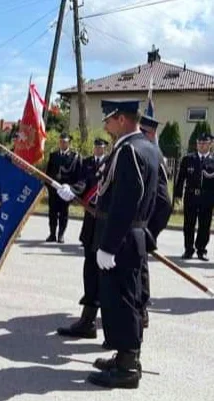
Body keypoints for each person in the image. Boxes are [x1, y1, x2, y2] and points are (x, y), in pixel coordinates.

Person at [86, 99, 159, 389]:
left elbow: (126, 202)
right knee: (123, 299)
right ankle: (124, 357)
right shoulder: (148, 147)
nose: (105, 124)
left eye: (109, 119)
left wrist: (109, 245)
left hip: (123, 237)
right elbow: (157, 200)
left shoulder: (129, 150)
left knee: (122, 302)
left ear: (122, 120)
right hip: (133, 236)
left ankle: (127, 368)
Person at [55, 138, 108, 339]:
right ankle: (88, 321)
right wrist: (72, 190)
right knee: (91, 272)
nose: (98, 148)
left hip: (106, 223)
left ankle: (126, 319)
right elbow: (84, 182)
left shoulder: (114, 160)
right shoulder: (87, 162)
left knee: (108, 276)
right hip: (91, 223)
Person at [140, 115, 172, 328]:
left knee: (139, 264)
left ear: (151, 134)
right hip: (146, 218)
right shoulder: (150, 152)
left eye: (142, 132)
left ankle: (141, 311)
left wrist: (149, 232)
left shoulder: (152, 154)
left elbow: (162, 201)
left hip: (149, 219)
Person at [173, 131, 214, 261]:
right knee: (188, 224)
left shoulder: (213, 161)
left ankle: (201, 250)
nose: (201, 145)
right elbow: (180, 178)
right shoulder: (188, 159)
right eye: (199, 143)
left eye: (204, 143)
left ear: (210, 144)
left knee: (205, 225)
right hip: (191, 196)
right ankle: (188, 249)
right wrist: (178, 195)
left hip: (207, 198)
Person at [45, 133, 80, 243]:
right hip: (54, 190)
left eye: (64, 142)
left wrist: (73, 190)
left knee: (64, 213)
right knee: (52, 213)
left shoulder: (74, 156)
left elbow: (76, 174)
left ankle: (61, 235)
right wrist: (49, 187)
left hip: (66, 190)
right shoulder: (53, 155)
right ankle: (52, 234)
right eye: (61, 141)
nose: (62, 143)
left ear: (69, 143)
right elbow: (48, 173)